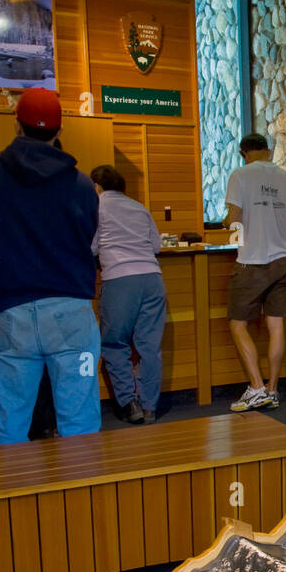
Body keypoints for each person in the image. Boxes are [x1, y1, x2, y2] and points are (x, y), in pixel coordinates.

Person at [0, 87, 100, 445]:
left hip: (11, 314)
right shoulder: (82, 185)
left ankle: (14, 499)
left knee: (11, 422)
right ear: (59, 131)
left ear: (16, 125)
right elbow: (88, 241)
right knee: (80, 422)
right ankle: (83, 499)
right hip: (71, 313)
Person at [222, 133, 286, 412]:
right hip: (283, 260)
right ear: (268, 151)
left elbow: (234, 220)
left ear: (244, 153)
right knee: (276, 325)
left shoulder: (240, 175)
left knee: (238, 324)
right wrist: (282, 219)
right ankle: (272, 390)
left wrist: (231, 230)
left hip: (252, 261)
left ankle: (257, 388)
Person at [90, 164, 166, 424]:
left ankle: (129, 404)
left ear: (96, 186)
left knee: (114, 344)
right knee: (150, 347)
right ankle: (150, 407)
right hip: (153, 279)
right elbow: (156, 245)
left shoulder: (96, 207)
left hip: (120, 280)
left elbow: (90, 247)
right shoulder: (139, 207)